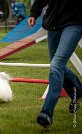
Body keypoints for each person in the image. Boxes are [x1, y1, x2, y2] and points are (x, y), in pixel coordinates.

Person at [28, 0, 82, 129]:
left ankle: (46, 114)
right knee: (57, 66)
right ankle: (78, 92)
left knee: (56, 65)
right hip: (53, 23)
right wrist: (34, 13)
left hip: (74, 22)